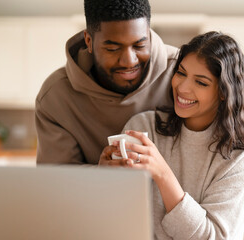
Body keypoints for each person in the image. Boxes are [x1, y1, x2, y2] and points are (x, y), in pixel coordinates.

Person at [100, 31, 244, 239]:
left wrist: (163, 174)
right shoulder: (144, 127)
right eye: (181, 73)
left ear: (223, 92)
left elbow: (213, 237)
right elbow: (115, 217)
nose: (182, 88)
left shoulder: (238, 159)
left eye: (201, 82)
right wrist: (105, 178)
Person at [35, 0, 178, 164]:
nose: (128, 61)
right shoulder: (55, 96)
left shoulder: (181, 72)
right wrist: (101, 175)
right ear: (89, 41)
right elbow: (56, 181)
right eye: (113, 49)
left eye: (140, 45)